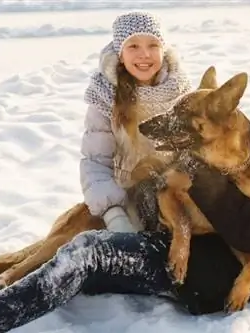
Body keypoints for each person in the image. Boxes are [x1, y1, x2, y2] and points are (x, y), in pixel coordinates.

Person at [0, 62, 250, 332]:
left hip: (212, 277)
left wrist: (196, 179)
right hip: (187, 241)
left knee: (91, 252)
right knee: (66, 249)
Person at [81, 10, 191, 232]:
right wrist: (114, 214)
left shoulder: (182, 92)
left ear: (164, 50)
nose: (144, 55)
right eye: (133, 46)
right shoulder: (106, 97)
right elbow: (94, 162)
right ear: (120, 54)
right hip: (126, 199)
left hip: (174, 195)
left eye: (153, 45)